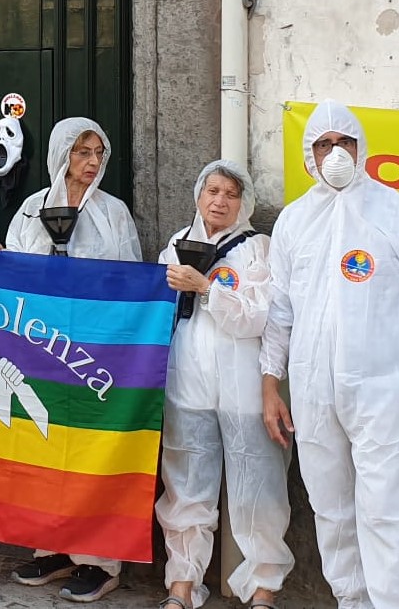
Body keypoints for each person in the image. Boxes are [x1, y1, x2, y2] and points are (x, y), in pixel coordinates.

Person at [259, 100, 399, 609]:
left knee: (386, 511)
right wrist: (270, 385)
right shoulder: (293, 221)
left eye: (344, 143)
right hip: (311, 393)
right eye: (324, 144)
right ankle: (352, 603)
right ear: (310, 155)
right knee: (331, 511)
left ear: (362, 148)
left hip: (382, 391)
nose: (335, 154)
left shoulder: (398, 214)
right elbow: (279, 312)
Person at [3, 116, 141, 603]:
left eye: (98, 153)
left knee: (90, 451)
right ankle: (51, 547)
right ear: (62, 154)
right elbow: (15, 273)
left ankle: (99, 561)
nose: (92, 162)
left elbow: (129, 280)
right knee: (42, 444)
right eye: (82, 152)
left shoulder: (113, 213)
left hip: (93, 353)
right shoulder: (29, 209)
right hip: (40, 349)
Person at [155, 160, 292, 609]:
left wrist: (205, 288)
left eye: (230, 194)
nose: (220, 201)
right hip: (187, 382)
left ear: (243, 203)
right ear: (198, 195)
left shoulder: (258, 249)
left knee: (260, 486)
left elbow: (258, 317)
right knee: (185, 482)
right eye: (212, 191)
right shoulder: (177, 244)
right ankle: (182, 584)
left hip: (244, 387)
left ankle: (262, 588)